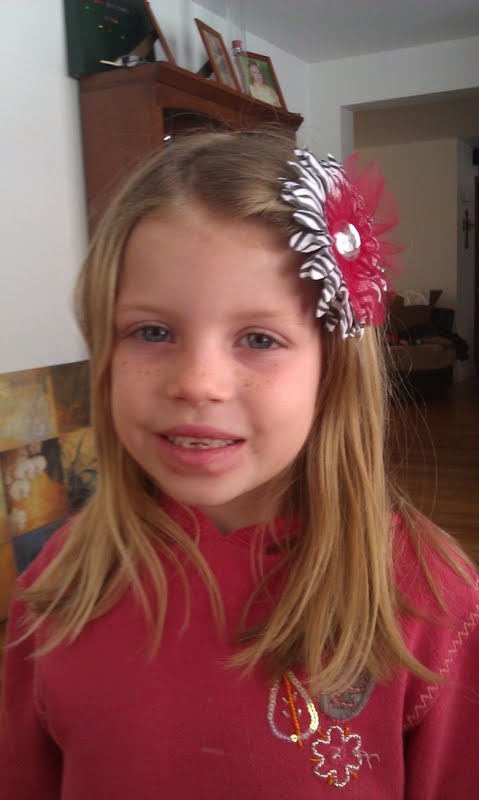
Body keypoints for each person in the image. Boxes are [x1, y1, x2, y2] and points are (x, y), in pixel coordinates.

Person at [1, 132, 478, 799]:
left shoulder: (431, 604)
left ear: (332, 372)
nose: (197, 383)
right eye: (152, 331)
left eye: (258, 338)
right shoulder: (59, 582)